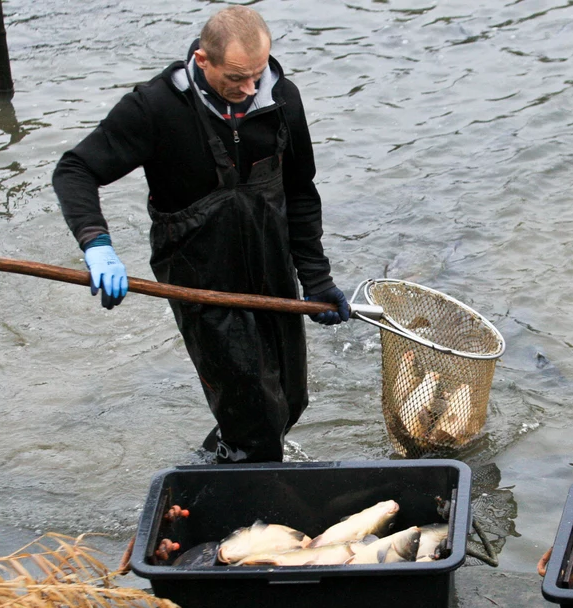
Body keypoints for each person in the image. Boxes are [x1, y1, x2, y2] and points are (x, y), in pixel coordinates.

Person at [52, 6, 350, 464]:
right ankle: (239, 502)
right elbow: (76, 169)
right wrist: (97, 244)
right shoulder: (154, 108)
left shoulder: (282, 99)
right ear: (202, 60)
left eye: (258, 74)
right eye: (236, 77)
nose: (249, 89)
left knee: (289, 402)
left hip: (270, 266)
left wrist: (316, 279)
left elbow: (300, 193)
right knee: (257, 420)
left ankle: (210, 466)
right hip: (199, 277)